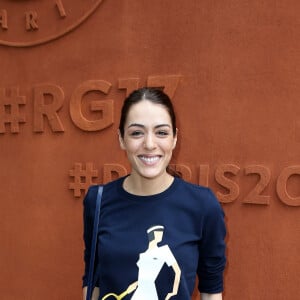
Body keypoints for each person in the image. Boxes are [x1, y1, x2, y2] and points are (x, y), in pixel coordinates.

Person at [82, 87, 226, 300]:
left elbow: (211, 291)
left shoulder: (202, 205)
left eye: (161, 132)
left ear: (175, 139)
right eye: (137, 133)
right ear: (122, 139)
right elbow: (92, 281)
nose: (149, 144)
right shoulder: (98, 201)